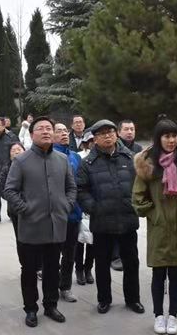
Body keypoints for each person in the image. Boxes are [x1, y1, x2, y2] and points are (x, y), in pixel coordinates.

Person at [133, 119, 177, 335]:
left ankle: (173, 315)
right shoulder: (148, 163)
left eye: (174, 136)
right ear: (159, 138)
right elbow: (138, 197)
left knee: (176, 275)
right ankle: (158, 315)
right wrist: (154, 214)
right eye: (166, 136)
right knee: (158, 275)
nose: (171, 140)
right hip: (158, 228)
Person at [3, 117, 75, 327]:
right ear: (31, 134)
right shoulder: (21, 161)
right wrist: (26, 209)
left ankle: (51, 305)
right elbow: (9, 190)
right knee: (29, 270)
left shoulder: (62, 159)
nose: (45, 131)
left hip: (55, 225)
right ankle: (31, 309)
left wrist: (66, 205)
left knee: (52, 268)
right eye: (40, 128)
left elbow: (71, 187)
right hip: (31, 226)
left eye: (49, 128)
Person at [77, 119, 145, 315]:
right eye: (102, 133)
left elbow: (141, 185)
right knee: (102, 264)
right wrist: (93, 208)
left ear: (116, 135)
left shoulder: (130, 158)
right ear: (95, 139)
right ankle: (104, 299)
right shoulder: (87, 163)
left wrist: (136, 204)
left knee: (131, 262)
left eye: (110, 132)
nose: (107, 136)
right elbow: (80, 190)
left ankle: (133, 299)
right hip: (102, 222)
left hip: (127, 219)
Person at [53, 123, 83, 303]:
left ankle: (65, 287)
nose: (64, 133)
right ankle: (52, 285)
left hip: (73, 213)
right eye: (59, 131)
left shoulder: (75, 157)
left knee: (70, 254)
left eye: (65, 131)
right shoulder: (49, 156)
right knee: (52, 253)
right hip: (54, 214)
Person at [74, 132, 95, 286]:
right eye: (90, 141)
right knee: (80, 240)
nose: (93, 143)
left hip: (97, 203)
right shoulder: (79, 156)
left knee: (93, 241)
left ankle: (88, 268)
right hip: (81, 202)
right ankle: (79, 269)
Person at [3, 142, 26, 240]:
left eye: (19, 149)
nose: (16, 152)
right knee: (20, 237)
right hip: (15, 208)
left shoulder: (32, 165)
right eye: (13, 150)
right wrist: (17, 200)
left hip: (32, 207)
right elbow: (3, 189)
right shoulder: (6, 169)